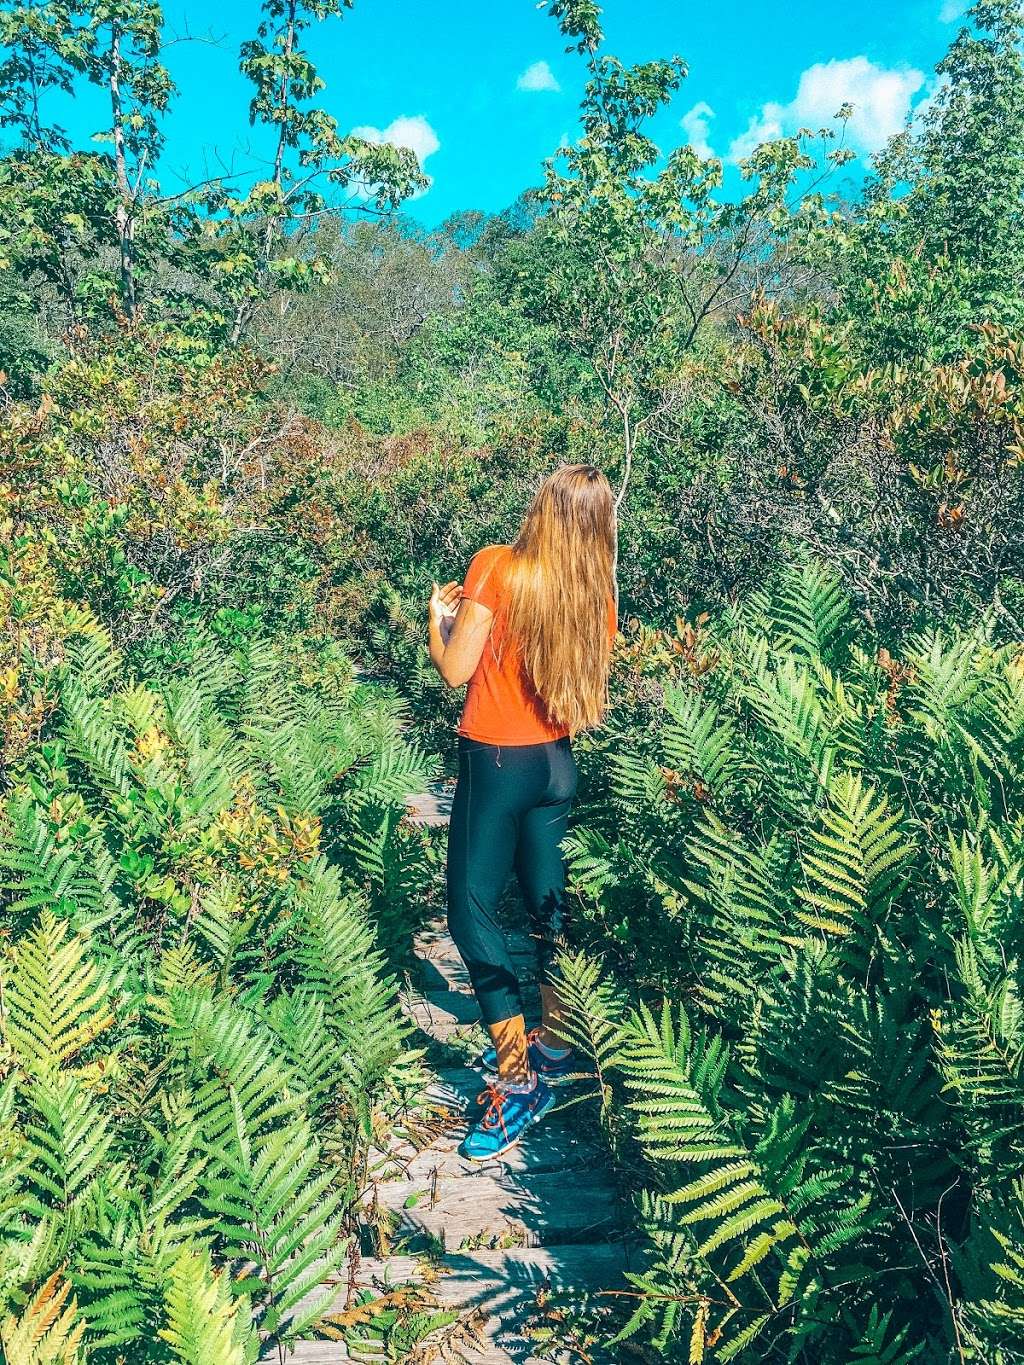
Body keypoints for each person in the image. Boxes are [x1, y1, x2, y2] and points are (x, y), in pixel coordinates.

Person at [427, 464, 617, 1160]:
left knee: (471, 914)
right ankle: (560, 1043)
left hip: (497, 763)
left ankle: (517, 1080)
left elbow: (454, 670)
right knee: (548, 911)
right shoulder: (594, 591)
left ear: (544, 508)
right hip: (557, 766)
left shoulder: (496, 567)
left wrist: (436, 624)